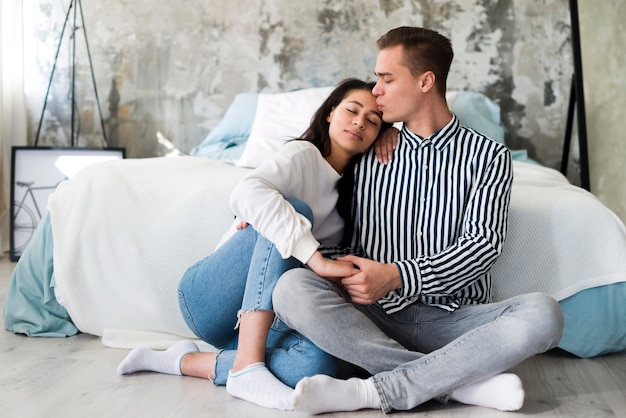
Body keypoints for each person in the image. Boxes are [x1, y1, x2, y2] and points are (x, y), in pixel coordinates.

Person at [271, 26, 565, 414]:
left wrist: (396, 275)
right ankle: (457, 386)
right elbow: (333, 223)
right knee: (292, 287)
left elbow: (483, 246)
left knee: (544, 314)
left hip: (457, 322)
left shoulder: (489, 156)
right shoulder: (369, 146)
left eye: (386, 79)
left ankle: (375, 390)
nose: (375, 91)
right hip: (374, 318)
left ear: (426, 81)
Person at [116, 78, 392, 411]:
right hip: (209, 299)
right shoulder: (302, 154)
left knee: (319, 365)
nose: (360, 122)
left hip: (267, 320)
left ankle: (188, 361)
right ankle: (246, 365)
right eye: (352, 110)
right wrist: (313, 257)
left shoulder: (357, 188)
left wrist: (396, 134)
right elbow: (246, 193)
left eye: (373, 121)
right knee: (295, 211)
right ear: (330, 113)